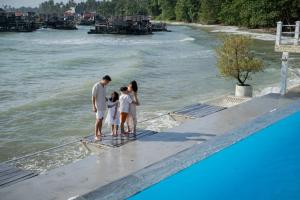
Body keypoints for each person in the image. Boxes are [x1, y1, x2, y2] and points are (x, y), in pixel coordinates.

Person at [92, 75, 111, 141]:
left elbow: (103, 95)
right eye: (107, 82)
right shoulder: (96, 86)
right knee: (98, 120)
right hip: (98, 106)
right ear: (104, 80)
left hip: (103, 105)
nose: (107, 83)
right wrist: (94, 106)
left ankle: (100, 132)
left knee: (101, 119)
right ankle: (95, 135)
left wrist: (106, 99)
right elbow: (93, 97)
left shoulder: (105, 86)